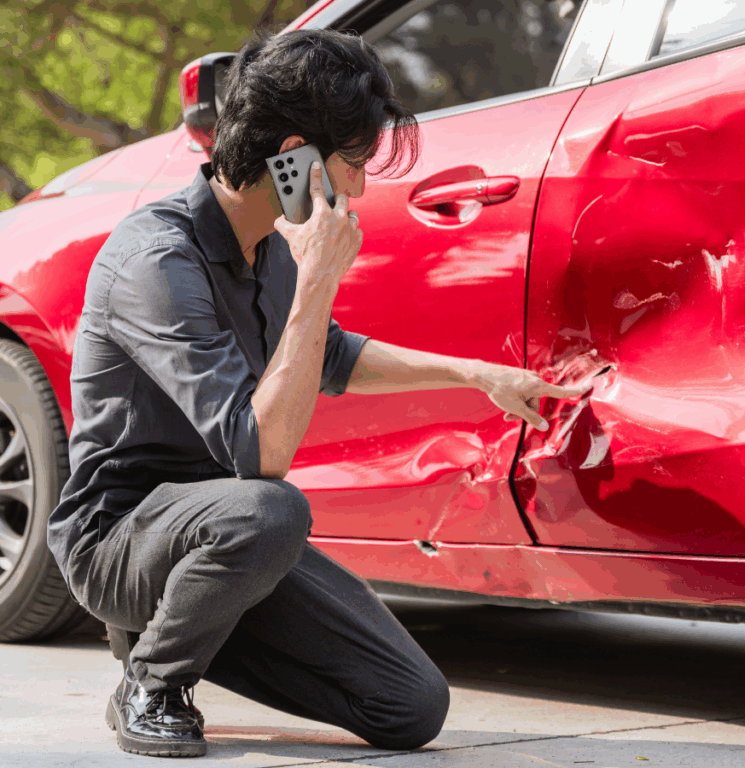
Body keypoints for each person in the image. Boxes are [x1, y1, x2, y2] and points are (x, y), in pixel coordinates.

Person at [46, 28, 588, 758]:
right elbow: (261, 454)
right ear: (294, 156)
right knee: (275, 508)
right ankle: (152, 681)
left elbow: (329, 354)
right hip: (119, 543)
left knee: (410, 706)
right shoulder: (157, 261)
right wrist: (319, 278)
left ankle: (174, 623)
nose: (358, 190)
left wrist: (478, 375)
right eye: (353, 164)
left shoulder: (267, 248)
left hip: (227, 540)